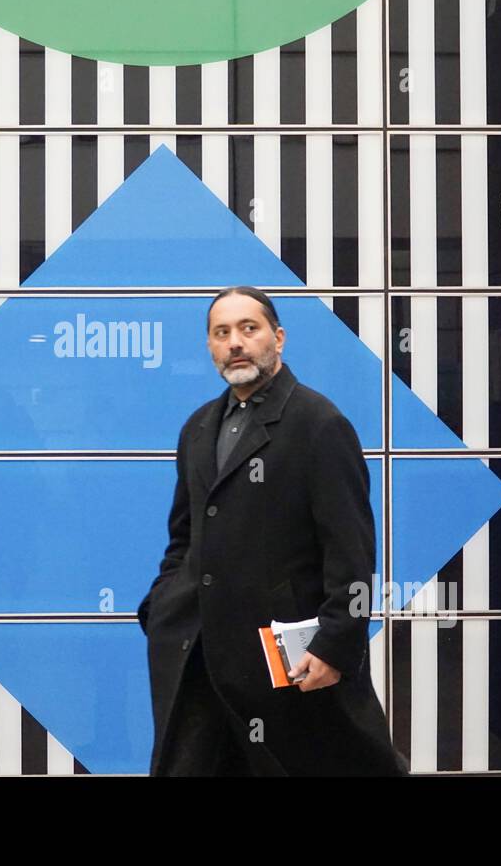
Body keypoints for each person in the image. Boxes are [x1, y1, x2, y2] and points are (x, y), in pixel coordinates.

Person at [138, 286, 406, 776]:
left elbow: (351, 550)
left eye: (249, 328)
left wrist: (335, 646)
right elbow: (183, 536)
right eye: (222, 333)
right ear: (210, 347)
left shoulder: (318, 424)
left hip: (284, 665)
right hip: (197, 657)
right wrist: (162, 605)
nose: (235, 342)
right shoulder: (198, 428)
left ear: (277, 338)